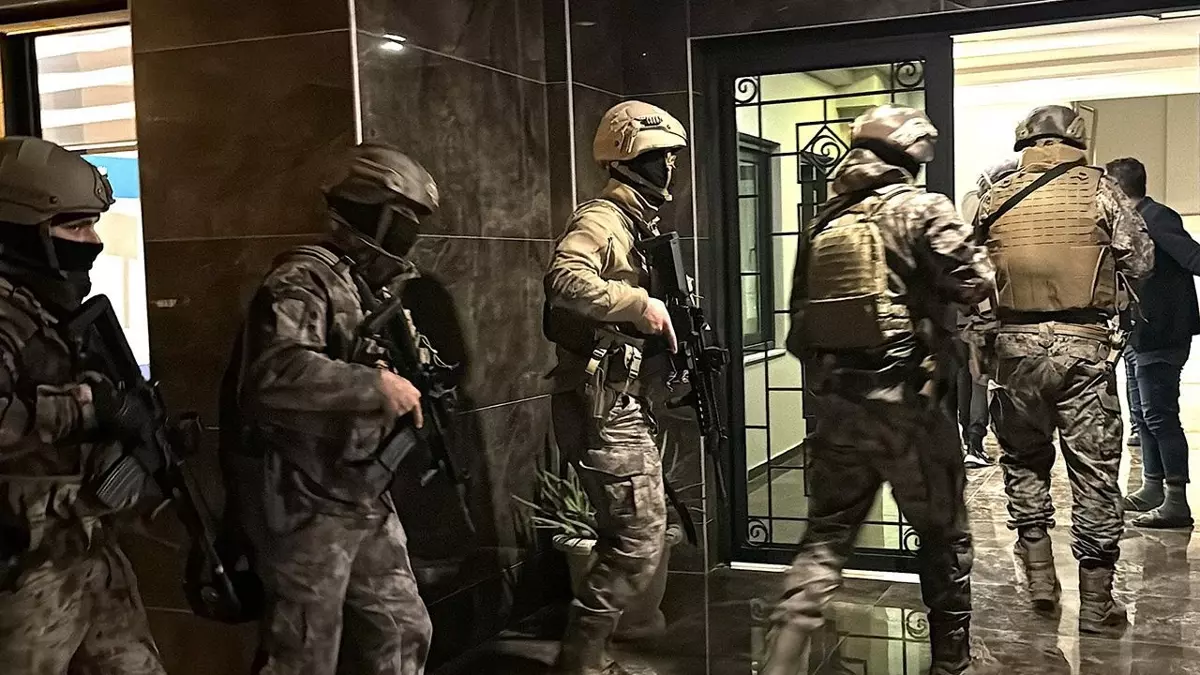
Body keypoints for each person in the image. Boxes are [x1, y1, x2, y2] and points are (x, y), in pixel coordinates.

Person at [763, 105, 996, 675]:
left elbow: (798, 327)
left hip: (839, 410)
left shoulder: (824, 222)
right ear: (912, 154)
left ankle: (781, 658)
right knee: (944, 537)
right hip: (911, 409)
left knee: (825, 537)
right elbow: (976, 280)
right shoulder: (922, 208)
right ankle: (951, 663)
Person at [220, 143, 438, 675]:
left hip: (359, 486)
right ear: (366, 210)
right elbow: (276, 373)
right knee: (302, 654)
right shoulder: (303, 278)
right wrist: (375, 385)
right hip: (304, 497)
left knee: (403, 629)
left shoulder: (364, 287)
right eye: (401, 221)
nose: (407, 237)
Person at [976, 106, 1153, 633]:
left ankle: (1039, 581)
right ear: (1076, 140)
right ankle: (1096, 606)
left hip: (1013, 352)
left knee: (1023, 460)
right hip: (1083, 348)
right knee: (1093, 472)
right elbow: (1141, 261)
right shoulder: (1102, 191)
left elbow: (971, 272)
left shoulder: (994, 196)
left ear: (1025, 143)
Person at [0, 137, 165, 673]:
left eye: (92, 224)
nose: (92, 242)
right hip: (22, 569)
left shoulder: (50, 313)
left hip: (85, 546)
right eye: (75, 227)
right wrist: (88, 409)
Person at [543, 100, 686, 675]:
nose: (669, 167)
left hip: (622, 401)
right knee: (638, 538)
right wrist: (637, 302)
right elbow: (564, 279)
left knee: (632, 535)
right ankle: (581, 657)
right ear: (627, 158)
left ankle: (588, 654)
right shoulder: (602, 218)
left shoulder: (636, 223)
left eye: (671, 157)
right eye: (659, 156)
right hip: (601, 406)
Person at [1107, 157, 1198, 529]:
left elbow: (1194, 258)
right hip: (1138, 336)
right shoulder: (1130, 221)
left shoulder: (1156, 218)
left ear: (1117, 187)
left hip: (1161, 335)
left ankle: (1176, 501)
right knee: (1143, 416)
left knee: (1160, 415)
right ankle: (1151, 488)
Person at [956, 157, 1020, 469]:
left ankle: (970, 442)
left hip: (963, 313)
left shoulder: (968, 215)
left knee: (967, 379)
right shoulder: (996, 217)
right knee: (982, 380)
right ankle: (976, 442)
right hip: (986, 312)